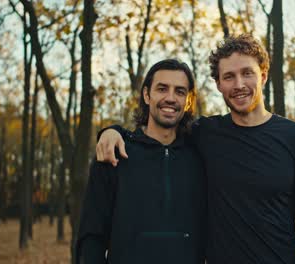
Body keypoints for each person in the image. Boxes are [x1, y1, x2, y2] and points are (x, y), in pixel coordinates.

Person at [97, 34, 295, 264]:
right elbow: (155, 131)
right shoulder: (205, 134)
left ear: (263, 76)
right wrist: (112, 131)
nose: (239, 85)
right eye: (229, 76)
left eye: (247, 73)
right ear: (218, 84)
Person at [76, 59, 207, 264]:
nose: (170, 98)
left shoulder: (201, 156)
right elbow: (91, 236)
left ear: (188, 100)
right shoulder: (115, 153)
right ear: (147, 95)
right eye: (162, 89)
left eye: (180, 91)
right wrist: (112, 131)